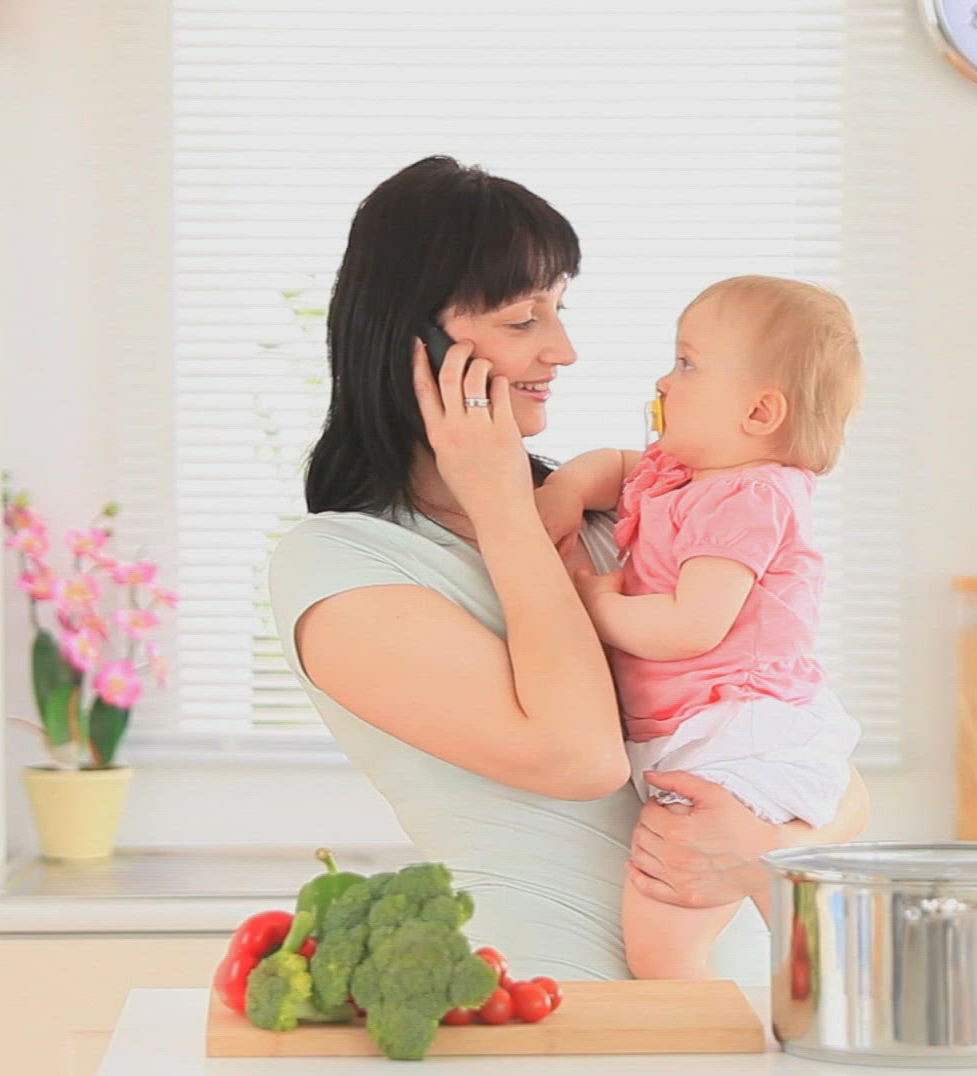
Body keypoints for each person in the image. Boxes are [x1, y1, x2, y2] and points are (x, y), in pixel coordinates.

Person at [267, 156, 870, 982]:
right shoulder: (340, 566)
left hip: (736, 1012)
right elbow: (582, 759)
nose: (564, 350)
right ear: (418, 347)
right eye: (524, 320)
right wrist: (504, 509)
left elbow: (828, 772)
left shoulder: (623, 516)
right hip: (542, 1013)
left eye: (560, 308)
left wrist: (766, 842)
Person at [537, 274, 864, 979]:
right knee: (790, 940)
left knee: (664, 935)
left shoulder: (749, 496)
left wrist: (591, 605)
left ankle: (729, 1023)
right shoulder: (687, 476)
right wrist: (566, 488)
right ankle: (826, 1005)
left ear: (760, 411)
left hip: (734, 737)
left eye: (687, 364)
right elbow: (616, 467)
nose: (664, 380)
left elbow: (692, 625)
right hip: (706, 731)